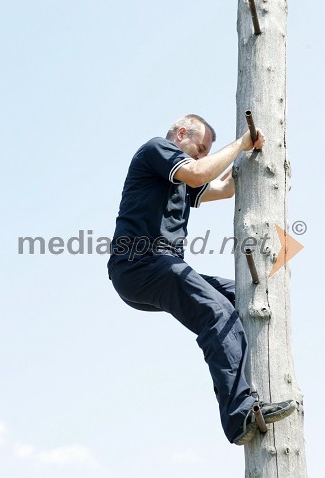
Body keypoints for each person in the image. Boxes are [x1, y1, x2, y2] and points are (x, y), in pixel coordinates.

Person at [107, 114, 295, 445]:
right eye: (201, 148)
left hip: (159, 268)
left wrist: (252, 156)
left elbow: (221, 188)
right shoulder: (158, 150)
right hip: (140, 263)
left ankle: (249, 394)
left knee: (239, 296)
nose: (203, 156)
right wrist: (240, 142)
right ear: (182, 134)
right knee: (217, 312)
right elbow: (198, 175)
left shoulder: (179, 175)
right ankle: (240, 416)